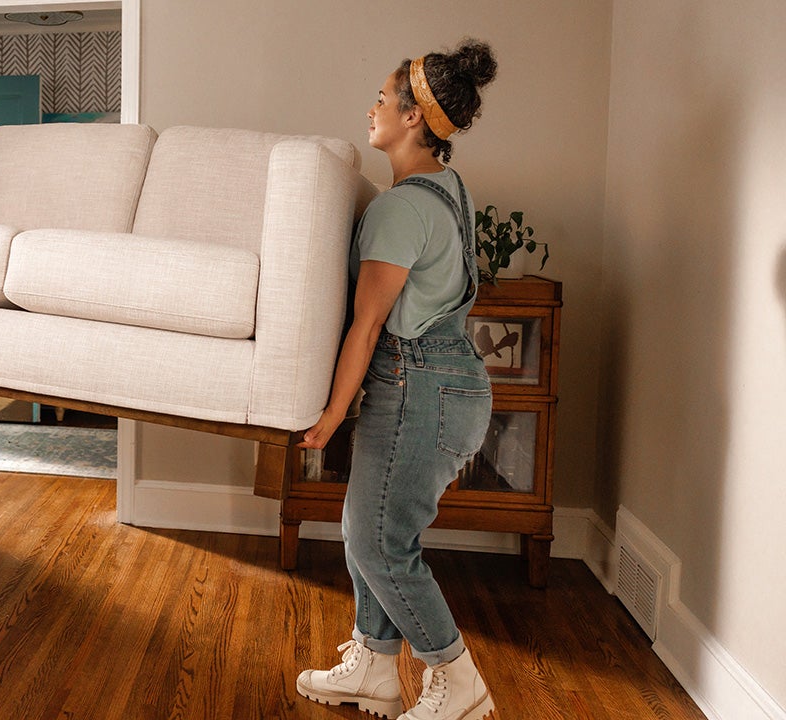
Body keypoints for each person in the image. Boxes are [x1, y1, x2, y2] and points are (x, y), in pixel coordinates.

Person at [294, 40, 500, 720]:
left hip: (420, 386)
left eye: (383, 99)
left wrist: (329, 415)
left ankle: (458, 682)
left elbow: (366, 327)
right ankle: (375, 667)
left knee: (381, 541)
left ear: (414, 118)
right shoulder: (451, 190)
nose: (372, 108)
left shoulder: (398, 209)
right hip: (444, 384)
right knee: (368, 526)